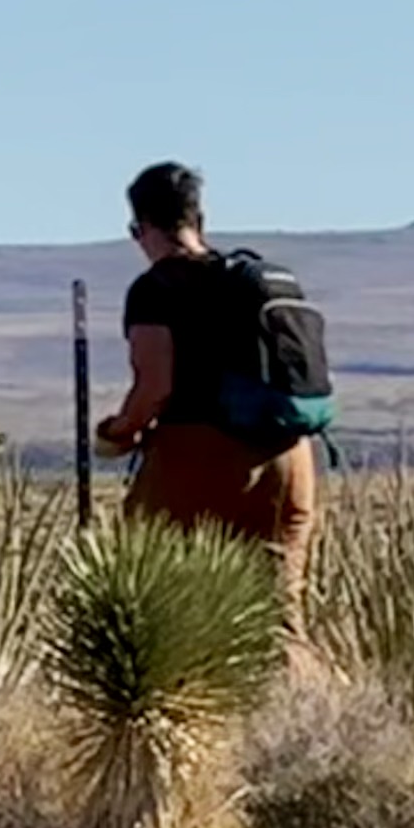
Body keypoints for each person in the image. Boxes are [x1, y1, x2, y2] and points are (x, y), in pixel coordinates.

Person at [98, 160, 321, 612]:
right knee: (278, 611)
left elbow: (154, 386)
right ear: (198, 220)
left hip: (199, 458)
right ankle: (305, 683)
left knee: (158, 601)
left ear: (138, 229)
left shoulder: (155, 290)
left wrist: (119, 431)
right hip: (288, 458)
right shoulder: (255, 280)